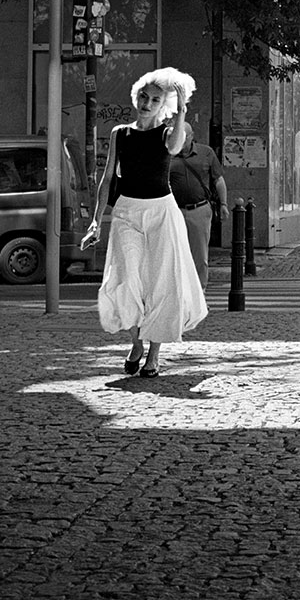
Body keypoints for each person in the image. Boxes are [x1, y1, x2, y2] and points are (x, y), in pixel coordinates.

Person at [82, 68, 207, 377]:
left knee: (161, 283)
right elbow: (108, 178)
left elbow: (175, 147)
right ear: (135, 97)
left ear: (163, 105)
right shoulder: (120, 133)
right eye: (143, 97)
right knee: (126, 279)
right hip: (126, 212)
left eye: (154, 100)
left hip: (162, 213)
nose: (146, 103)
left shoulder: (166, 133)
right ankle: (136, 342)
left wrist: (181, 111)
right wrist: (95, 221)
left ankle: (153, 355)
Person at [168, 121, 228, 288]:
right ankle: (178, 290)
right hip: (174, 210)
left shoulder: (206, 152)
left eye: (183, 137)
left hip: (199, 209)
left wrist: (223, 204)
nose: (180, 141)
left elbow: (218, 179)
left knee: (199, 254)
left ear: (192, 136)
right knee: (174, 253)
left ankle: (200, 290)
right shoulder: (167, 154)